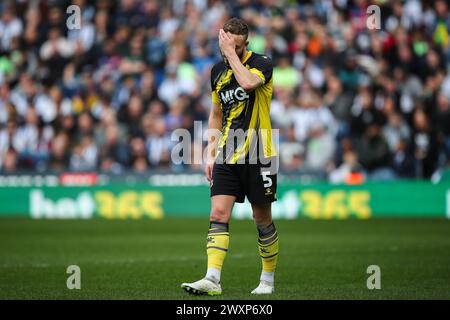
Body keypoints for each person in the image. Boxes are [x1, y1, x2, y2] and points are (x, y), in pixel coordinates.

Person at [181, 18, 279, 296]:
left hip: (260, 153)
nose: (230, 52)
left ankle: (267, 281)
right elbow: (216, 114)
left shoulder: (262, 63)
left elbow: (247, 83)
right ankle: (212, 278)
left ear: (245, 45)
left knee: (262, 219)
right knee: (218, 213)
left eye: (237, 47)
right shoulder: (216, 72)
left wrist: (232, 56)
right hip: (228, 153)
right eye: (226, 45)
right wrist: (210, 153)